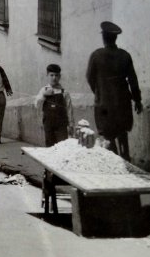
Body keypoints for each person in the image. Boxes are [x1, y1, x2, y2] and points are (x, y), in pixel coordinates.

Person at [86, 21, 142, 161]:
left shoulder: (96, 55)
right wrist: (137, 100)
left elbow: (90, 78)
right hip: (122, 103)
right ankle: (125, 160)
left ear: (103, 37)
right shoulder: (125, 56)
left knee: (108, 136)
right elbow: (133, 81)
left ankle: (115, 163)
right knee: (122, 133)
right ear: (115, 38)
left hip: (104, 104)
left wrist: (99, 92)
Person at [34, 64, 74, 147]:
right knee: (50, 147)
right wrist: (44, 96)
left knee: (63, 146)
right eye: (51, 75)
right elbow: (37, 105)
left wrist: (71, 124)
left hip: (61, 125)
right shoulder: (43, 90)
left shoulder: (64, 92)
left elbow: (69, 109)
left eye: (56, 75)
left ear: (59, 76)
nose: (54, 78)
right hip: (48, 124)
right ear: (47, 75)